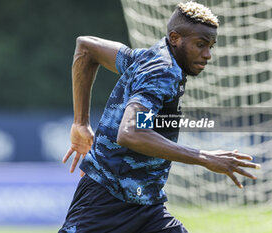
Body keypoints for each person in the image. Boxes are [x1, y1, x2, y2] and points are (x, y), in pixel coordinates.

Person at [59, 2, 260, 233]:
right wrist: (205, 157)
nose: (208, 55)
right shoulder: (162, 71)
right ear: (175, 38)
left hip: (147, 206)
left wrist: (80, 123)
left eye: (211, 46)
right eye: (201, 45)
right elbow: (131, 133)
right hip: (107, 200)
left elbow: (86, 48)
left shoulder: (146, 58)